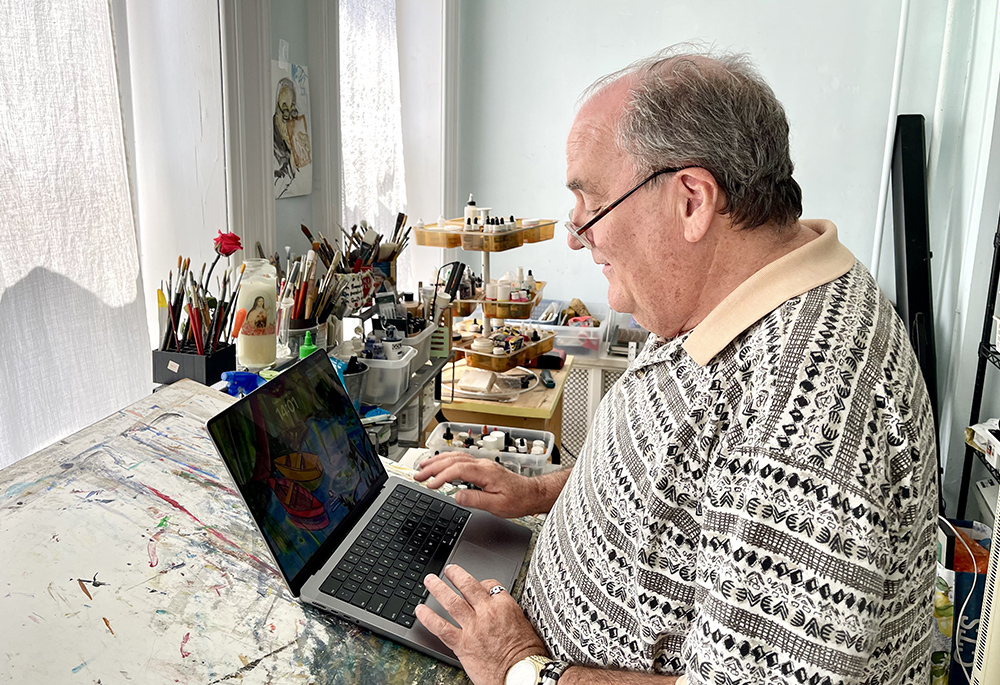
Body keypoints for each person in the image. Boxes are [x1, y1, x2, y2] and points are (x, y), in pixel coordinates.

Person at [414, 46, 938, 685]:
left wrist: (519, 667)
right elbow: (681, 475)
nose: (576, 235)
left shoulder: (810, 419)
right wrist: (542, 492)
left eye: (591, 203)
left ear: (692, 201)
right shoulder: (740, 287)